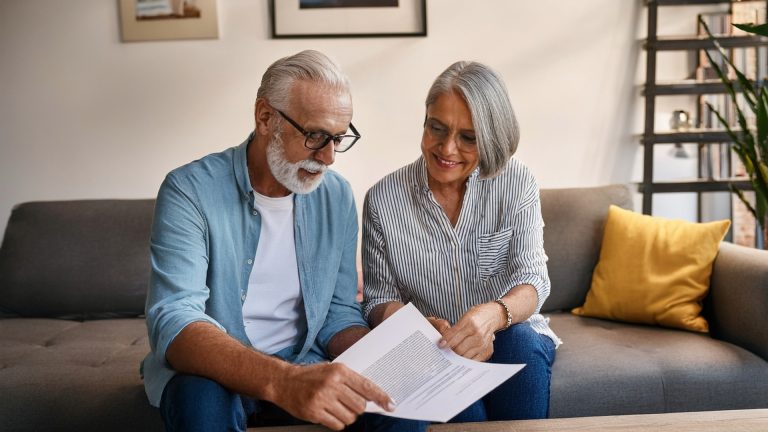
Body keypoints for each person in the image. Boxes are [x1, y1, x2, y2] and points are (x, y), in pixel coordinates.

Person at [141, 50, 394, 432]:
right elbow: (175, 320)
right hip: (214, 373)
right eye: (314, 135)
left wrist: (388, 359)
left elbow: (339, 312)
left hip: (307, 363)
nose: (328, 158)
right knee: (199, 407)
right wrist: (283, 381)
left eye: (338, 139)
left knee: (397, 408)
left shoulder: (336, 196)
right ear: (264, 117)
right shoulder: (189, 190)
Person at [361, 61, 561, 431]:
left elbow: (534, 278)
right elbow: (376, 300)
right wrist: (417, 326)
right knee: (447, 381)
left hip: (509, 334)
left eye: (468, 138)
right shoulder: (383, 199)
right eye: (437, 128)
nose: (447, 148)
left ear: (491, 137)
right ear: (424, 121)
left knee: (518, 340)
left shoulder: (516, 182)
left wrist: (493, 316)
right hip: (436, 350)